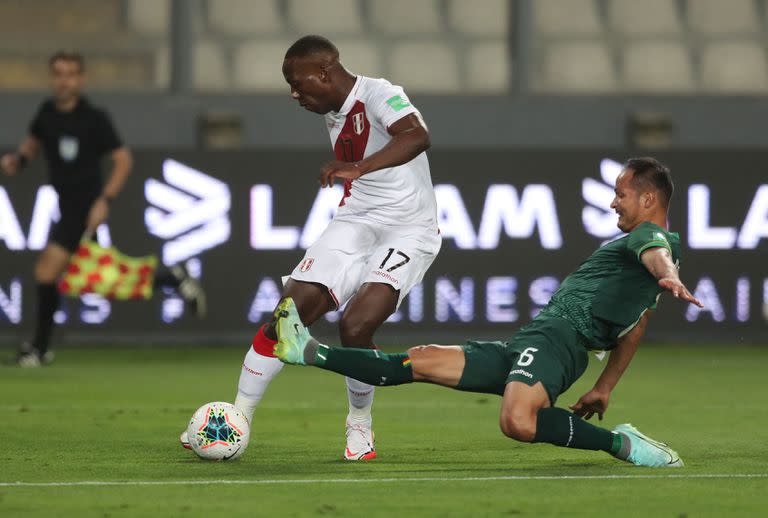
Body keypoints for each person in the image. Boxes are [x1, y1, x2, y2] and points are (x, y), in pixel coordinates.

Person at [273, 157, 703, 467]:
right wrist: (605, 387)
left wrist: (666, 273)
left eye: (620, 194)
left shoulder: (650, 238)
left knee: (518, 422)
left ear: (648, 199)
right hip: (532, 340)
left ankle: (619, 445)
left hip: (560, 340)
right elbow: (636, 325)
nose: (613, 203)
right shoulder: (636, 258)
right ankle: (307, 351)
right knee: (416, 361)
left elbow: (656, 250)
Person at [181, 35, 441, 461]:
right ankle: (236, 419)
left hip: (409, 230)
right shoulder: (333, 108)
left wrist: (357, 167)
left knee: (356, 327)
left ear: (325, 71)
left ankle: (359, 425)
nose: (294, 94)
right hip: (356, 221)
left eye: (299, 83)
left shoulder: (380, 94)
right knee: (287, 315)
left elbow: (417, 136)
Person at [0, 51, 205, 368]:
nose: (64, 80)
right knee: (101, 278)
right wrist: (20, 159)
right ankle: (170, 279)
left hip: (83, 207)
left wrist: (103, 200)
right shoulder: (46, 113)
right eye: (58, 73)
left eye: (70, 73)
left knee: (46, 273)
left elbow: (123, 160)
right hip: (65, 205)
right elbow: (33, 141)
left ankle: (39, 350)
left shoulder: (93, 119)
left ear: (80, 80)